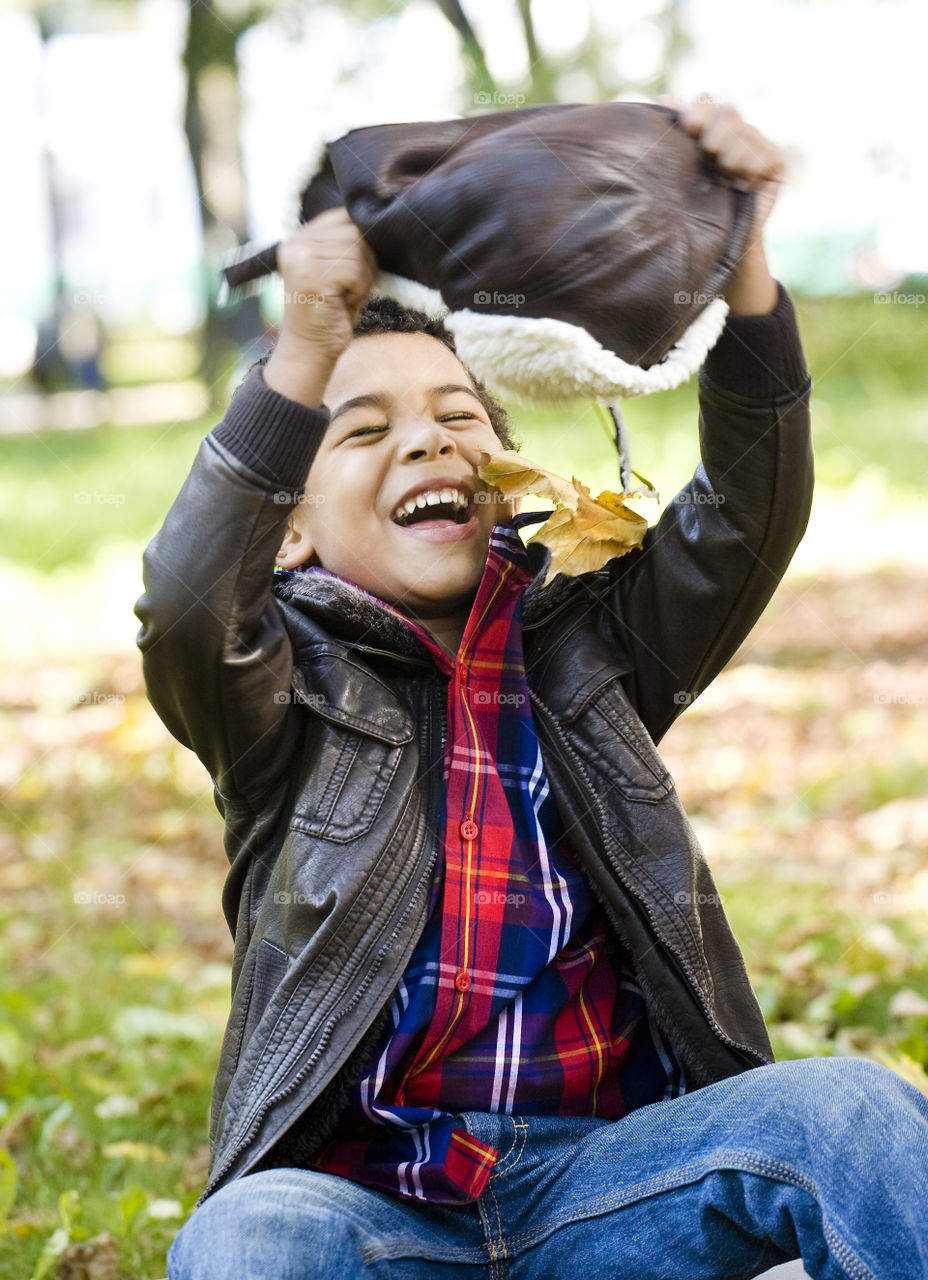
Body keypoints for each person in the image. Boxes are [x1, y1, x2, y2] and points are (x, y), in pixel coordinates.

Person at [136, 100, 928, 1279]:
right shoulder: (273, 692)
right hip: (373, 1207)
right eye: (362, 431)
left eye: (460, 418)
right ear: (288, 532)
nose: (427, 442)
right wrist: (304, 343)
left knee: (849, 1112)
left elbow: (749, 508)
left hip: (612, 1184)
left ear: (501, 478)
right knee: (249, 1237)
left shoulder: (592, 640)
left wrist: (742, 253)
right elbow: (191, 597)